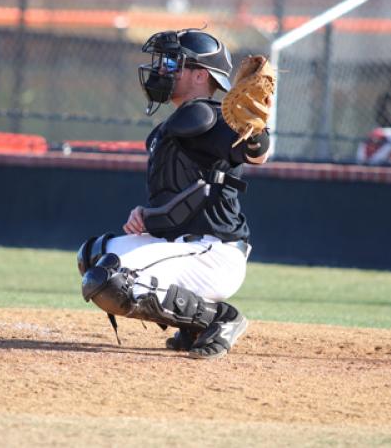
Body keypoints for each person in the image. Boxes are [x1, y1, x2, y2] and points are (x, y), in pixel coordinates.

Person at [76, 28, 271, 359]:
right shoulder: (174, 125)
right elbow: (177, 192)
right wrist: (145, 215)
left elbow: (256, 154)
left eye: (172, 63)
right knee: (93, 254)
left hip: (212, 253)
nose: (162, 70)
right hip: (180, 247)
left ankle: (220, 319)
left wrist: (257, 134)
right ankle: (192, 326)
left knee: (109, 279)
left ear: (199, 75)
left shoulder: (209, 116)